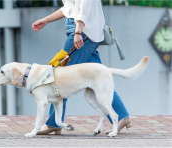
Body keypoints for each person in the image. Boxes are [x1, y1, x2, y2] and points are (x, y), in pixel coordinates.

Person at [32, 0, 132, 135]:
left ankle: (54, 123)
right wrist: (46, 20)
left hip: (82, 33)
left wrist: (78, 31)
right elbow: (70, 7)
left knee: (60, 77)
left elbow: (86, 7)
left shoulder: (80, 31)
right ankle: (122, 116)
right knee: (99, 78)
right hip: (83, 33)